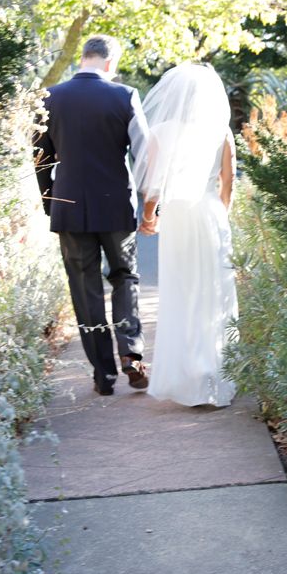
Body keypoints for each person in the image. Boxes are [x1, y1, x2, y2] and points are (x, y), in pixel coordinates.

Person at [34, 34, 150, 395]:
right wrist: (149, 205)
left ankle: (103, 375)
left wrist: (50, 202)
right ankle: (130, 352)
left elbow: (40, 158)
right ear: (110, 63)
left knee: (85, 290)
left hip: (69, 208)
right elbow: (143, 154)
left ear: (83, 58)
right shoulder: (124, 95)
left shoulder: (49, 97)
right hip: (115, 205)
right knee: (124, 276)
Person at [135, 62, 237, 407]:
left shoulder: (161, 132)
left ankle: (182, 377)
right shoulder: (220, 131)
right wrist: (220, 215)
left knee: (180, 292)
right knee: (212, 292)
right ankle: (214, 374)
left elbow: (152, 187)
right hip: (209, 215)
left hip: (177, 214)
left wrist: (150, 218)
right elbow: (228, 182)